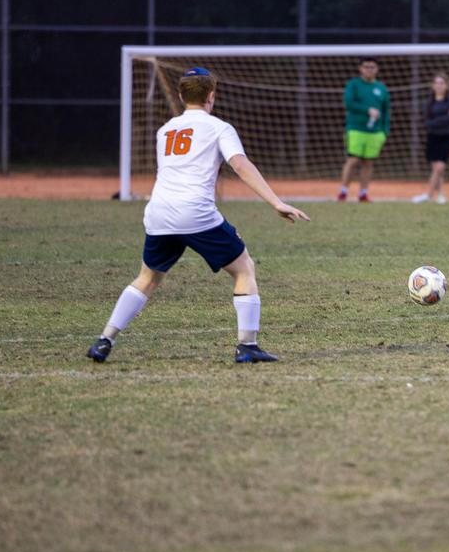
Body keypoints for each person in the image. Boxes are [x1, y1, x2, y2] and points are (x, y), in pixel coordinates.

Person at [86, 67, 310, 365]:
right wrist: (276, 202)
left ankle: (104, 340)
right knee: (244, 269)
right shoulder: (219, 128)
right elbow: (240, 165)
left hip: (159, 211)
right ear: (211, 96)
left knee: (148, 278)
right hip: (196, 213)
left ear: (181, 96)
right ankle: (248, 346)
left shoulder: (165, 130)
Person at [338, 57, 390, 203]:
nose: (369, 70)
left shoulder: (381, 88)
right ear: (360, 69)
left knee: (368, 162)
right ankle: (343, 192)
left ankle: (363, 193)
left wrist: (385, 131)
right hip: (356, 129)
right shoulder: (353, 85)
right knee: (353, 160)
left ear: (377, 69)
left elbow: (386, 111)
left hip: (375, 132)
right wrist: (367, 110)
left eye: (372, 67)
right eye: (366, 67)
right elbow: (349, 103)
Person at [412, 73, 449, 204]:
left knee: (439, 168)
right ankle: (441, 194)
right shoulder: (429, 102)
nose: (439, 85)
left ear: (447, 85)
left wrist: (435, 121)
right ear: (432, 85)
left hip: (447, 136)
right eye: (436, 83)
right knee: (436, 169)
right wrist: (443, 118)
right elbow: (426, 121)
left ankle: (428, 194)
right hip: (432, 136)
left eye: (441, 83)